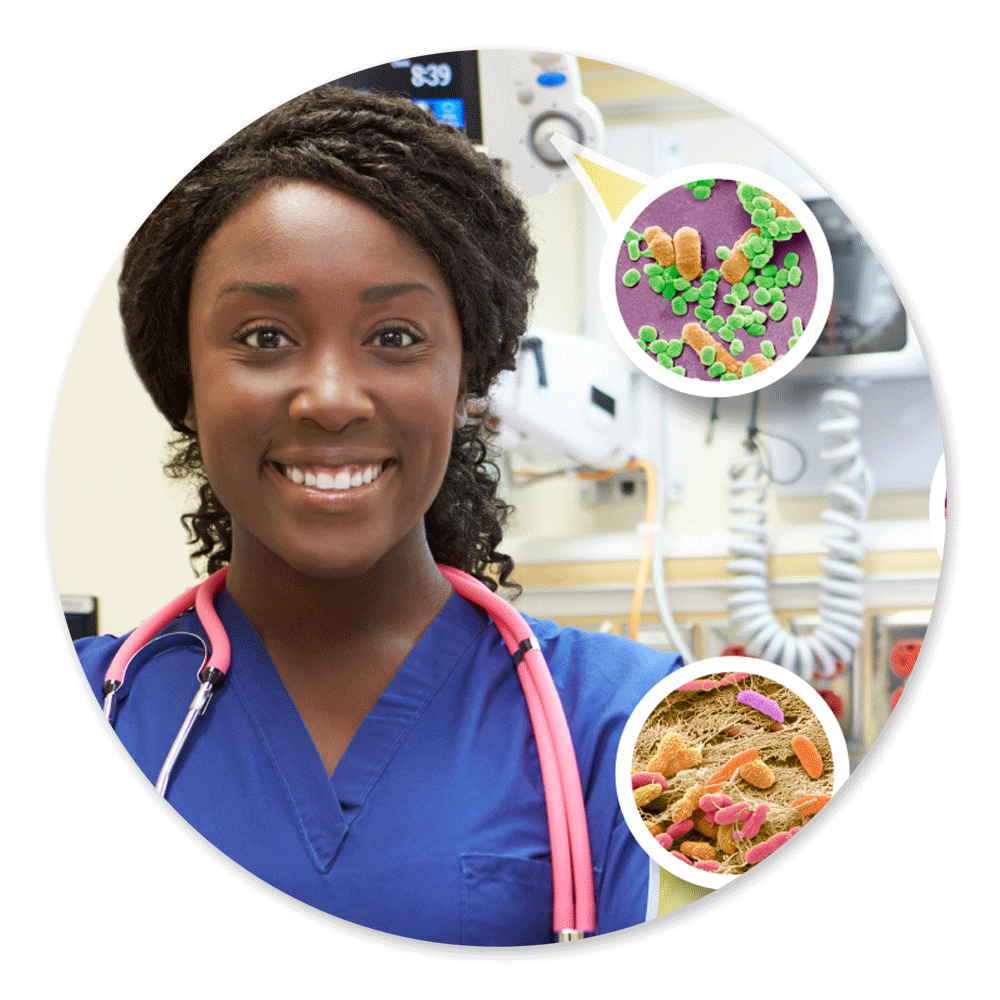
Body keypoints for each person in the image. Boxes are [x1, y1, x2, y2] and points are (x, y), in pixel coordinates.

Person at [74, 84, 683, 946]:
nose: (329, 399)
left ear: (468, 375)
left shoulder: (628, 722)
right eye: (262, 337)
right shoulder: (75, 707)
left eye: (396, 337)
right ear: (185, 380)